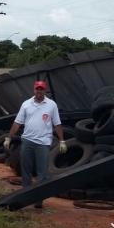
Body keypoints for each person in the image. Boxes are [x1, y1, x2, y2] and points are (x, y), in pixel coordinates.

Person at [4, 80, 67, 208]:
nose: (39, 91)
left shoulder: (51, 105)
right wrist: (8, 138)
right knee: (25, 171)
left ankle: (38, 200)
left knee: (42, 173)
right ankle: (25, 198)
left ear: (44, 90)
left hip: (43, 143)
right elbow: (17, 122)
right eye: (37, 89)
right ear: (34, 90)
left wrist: (62, 141)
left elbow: (57, 124)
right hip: (27, 141)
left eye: (41, 89)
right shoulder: (26, 104)